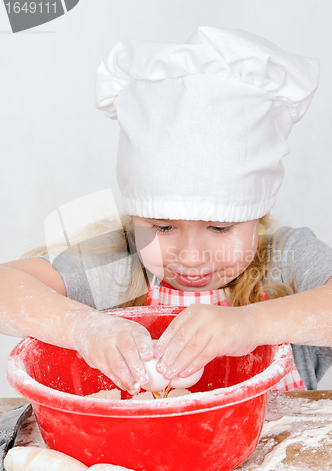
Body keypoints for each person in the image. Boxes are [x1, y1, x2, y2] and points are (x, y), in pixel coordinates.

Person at [1, 27, 332, 396]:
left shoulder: (284, 260)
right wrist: (83, 327)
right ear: (135, 217)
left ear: (257, 216)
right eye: (163, 226)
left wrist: (249, 323)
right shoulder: (119, 268)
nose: (191, 256)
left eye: (220, 227)